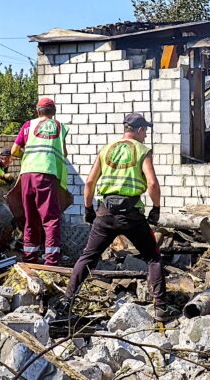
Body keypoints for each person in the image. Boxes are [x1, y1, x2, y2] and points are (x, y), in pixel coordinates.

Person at [60, 113, 170, 321]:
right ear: (138, 130)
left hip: (106, 213)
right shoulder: (142, 150)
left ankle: (66, 301)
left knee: (88, 257)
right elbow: (153, 184)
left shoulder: (106, 149)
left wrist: (89, 209)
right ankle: (161, 308)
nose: (146, 135)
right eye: (145, 130)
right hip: (131, 215)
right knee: (153, 258)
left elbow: (90, 182)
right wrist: (156, 207)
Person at [11, 98, 69, 265]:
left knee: (31, 219)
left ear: (37, 111)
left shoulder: (27, 125)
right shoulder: (59, 126)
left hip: (27, 175)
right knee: (51, 219)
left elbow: (14, 151)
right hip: (46, 174)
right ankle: (51, 263)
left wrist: (29, 156)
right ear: (54, 113)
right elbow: (64, 153)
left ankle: (29, 261)